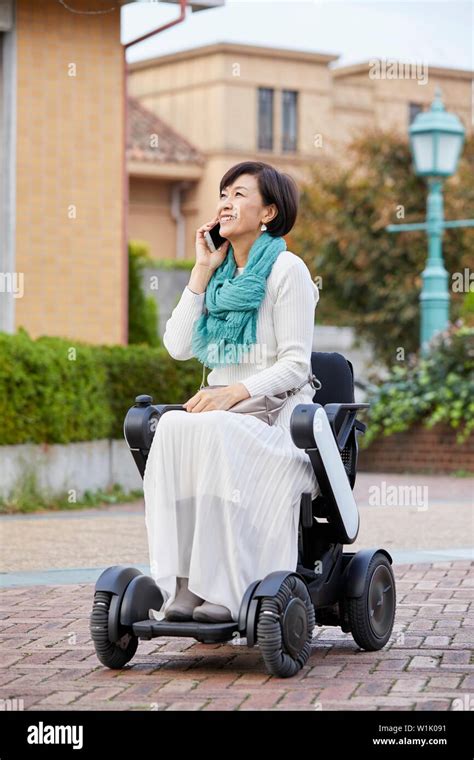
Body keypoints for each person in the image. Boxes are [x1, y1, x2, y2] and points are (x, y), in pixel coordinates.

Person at [143, 160, 321, 625]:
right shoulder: (219, 276)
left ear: (268, 212)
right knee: (174, 428)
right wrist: (202, 271)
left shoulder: (288, 270)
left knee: (215, 427)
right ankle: (185, 584)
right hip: (224, 415)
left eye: (240, 194)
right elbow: (178, 347)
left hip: (278, 419)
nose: (226, 201)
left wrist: (233, 393)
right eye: (223, 193)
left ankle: (229, 586)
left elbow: (296, 365)